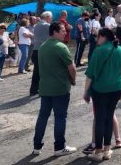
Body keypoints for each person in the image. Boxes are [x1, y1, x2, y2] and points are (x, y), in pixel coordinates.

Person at [32, 21, 77, 157]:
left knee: (43, 117)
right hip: (60, 88)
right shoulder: (61, 47)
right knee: (60, 117)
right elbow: (72, 68)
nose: (65, 32)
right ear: (55, 32)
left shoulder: (43, 47)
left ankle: (37, 146)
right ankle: (59, 147)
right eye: (63, 30)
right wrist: (73, 80)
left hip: (45, 88)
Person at [83, 28, 121, 161]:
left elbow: (90, 75)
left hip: (100, 89)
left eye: (98, 37)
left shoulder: (98, 51)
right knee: (109, 117)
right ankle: (107, 150)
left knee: (100, 118)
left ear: (103, 36)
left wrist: (86, 92)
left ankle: (97, 151)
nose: (97, 40)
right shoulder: (119, 49)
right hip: (117, 88)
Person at [31, 11, 53, 96]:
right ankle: (44, 89)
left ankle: (33, 90)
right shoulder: (47, 26)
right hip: (44, 50)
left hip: (35, 50)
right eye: (50, 17)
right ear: (47, 17)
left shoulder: (36, 26)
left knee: (36, 71)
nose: (51, 19)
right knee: (45, 71)